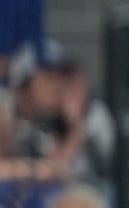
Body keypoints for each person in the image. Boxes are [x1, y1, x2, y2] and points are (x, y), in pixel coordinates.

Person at [8, 38, 116, 190]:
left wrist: (76, 123)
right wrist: (75, 130)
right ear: (23, 89)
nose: (58, 85)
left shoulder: (93, 114)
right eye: (49, 77)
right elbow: (48, 175)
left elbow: (110, 170)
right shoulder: (19, 127)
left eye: (62, 76)